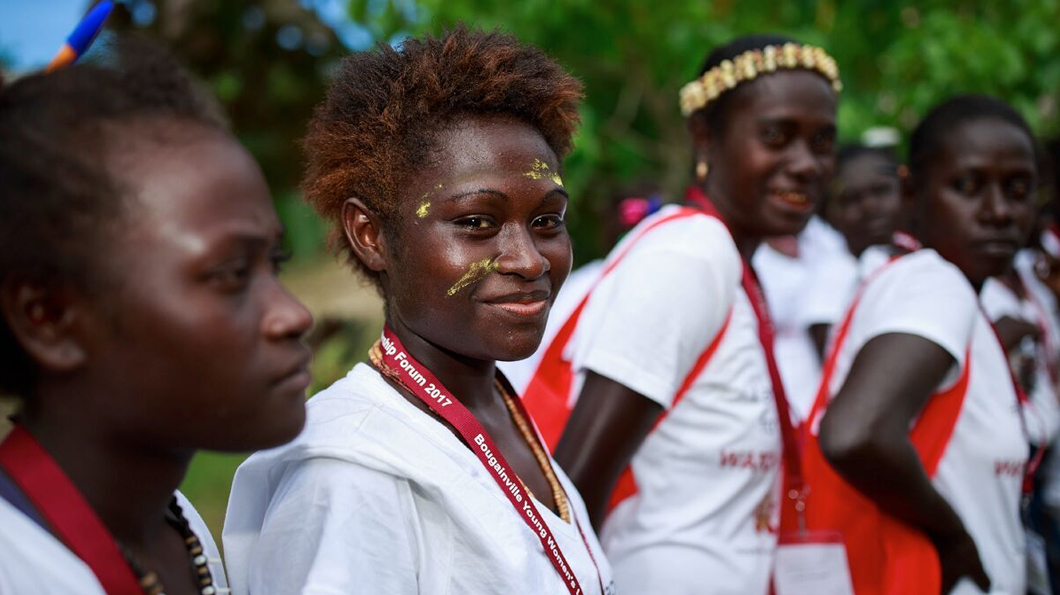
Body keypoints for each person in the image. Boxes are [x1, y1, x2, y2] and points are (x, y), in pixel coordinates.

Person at [223, 27, 614, 595]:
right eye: (477, 222)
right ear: (371, 235)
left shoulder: (503, 412)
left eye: (546, 221)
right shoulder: (349, 476)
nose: (529, 259)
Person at [522, 34, 840, 594]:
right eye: (776, 136)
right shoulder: (691, 255)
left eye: (822, 142)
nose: (806, 164)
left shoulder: (734, 265)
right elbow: (572, 489)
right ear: (704, 137)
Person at [0, 39, 313, 594]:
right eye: (229, 275)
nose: (293, 315)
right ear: (50, 317)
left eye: (276, 263)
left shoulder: (175, 527)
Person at [806, 95, 1040, 594]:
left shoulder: (944, 289)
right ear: (911, 194)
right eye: (968, 187)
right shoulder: (937, 284)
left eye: (1018, 188)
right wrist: (953, 537)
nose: (999, 212)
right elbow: (854, 433)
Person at [802, 144, 904, 360]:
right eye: (850, 199)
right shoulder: (831, 278)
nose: (869, 206)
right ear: (827, 213)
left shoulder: (926, 257)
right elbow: (837, 363)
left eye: (881, 190)